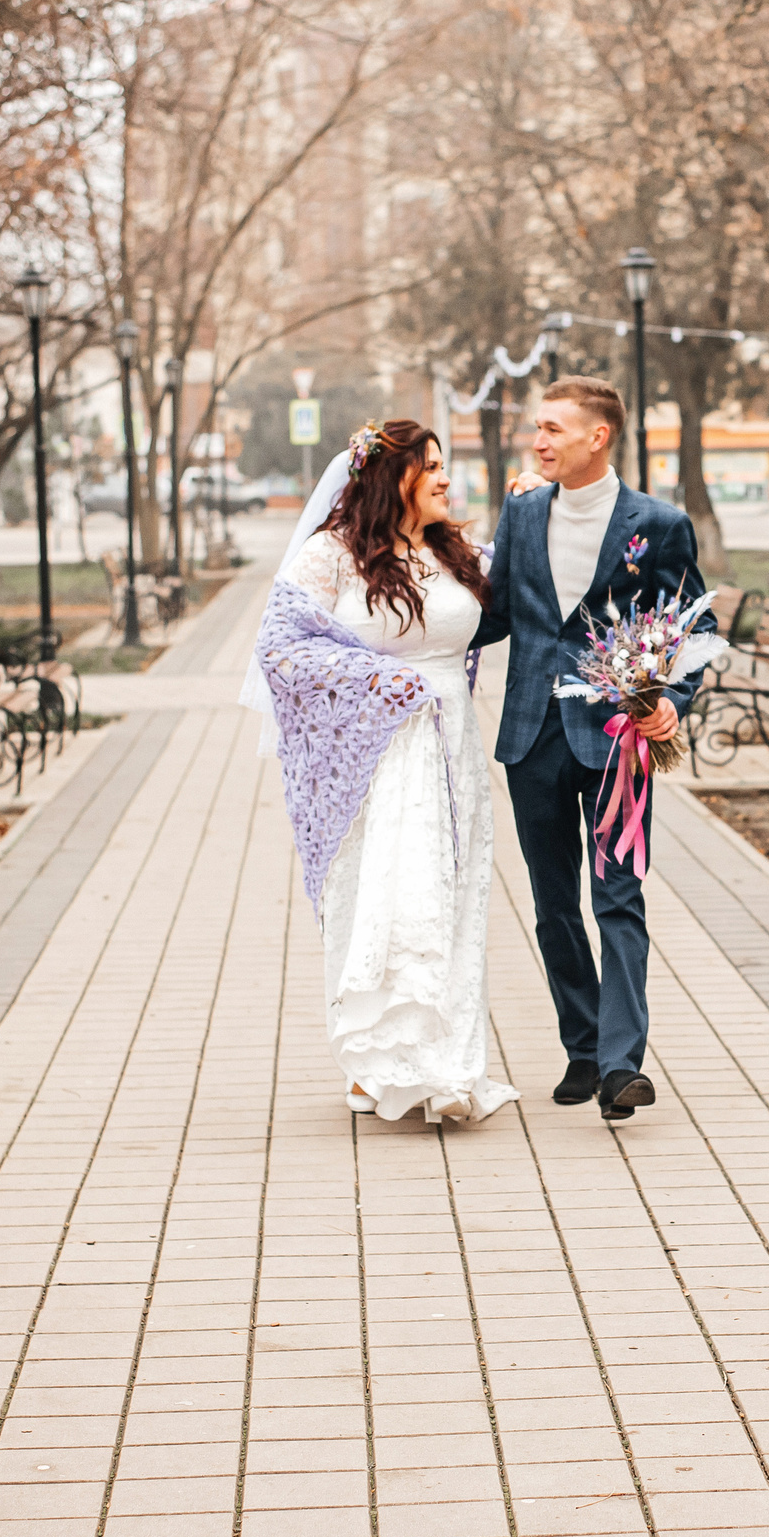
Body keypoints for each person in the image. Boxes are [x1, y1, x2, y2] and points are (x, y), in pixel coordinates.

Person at [246, 419, 516, 1124]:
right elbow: (279, 648)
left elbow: (519, 597)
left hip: (452, 746)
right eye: (429, 465)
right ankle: (380, 1063)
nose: (444, 477)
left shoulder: (457, 551)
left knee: (452, 902)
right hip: (376, 754)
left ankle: (448, 1065)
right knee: (385, 900)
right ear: (385, 477)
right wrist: (377, 681)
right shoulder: (331, 556)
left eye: (443, 464)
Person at [473, 376, 715, 1121]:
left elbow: (691, 627)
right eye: (536, 429)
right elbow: (501, 610)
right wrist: (409, 638)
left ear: (597, 437)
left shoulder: (659, 523)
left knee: (618, 898)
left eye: (552, 428)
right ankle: (581, 1045)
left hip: (619, 736)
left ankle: (620, 1065)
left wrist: (673, 703)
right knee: (553, 906)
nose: (537, 440)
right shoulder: (521, 510)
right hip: (530, 734)